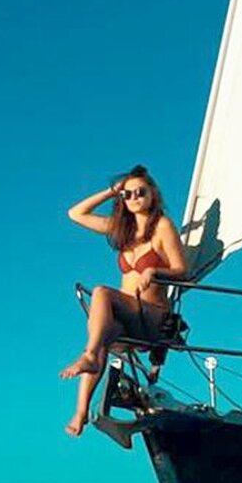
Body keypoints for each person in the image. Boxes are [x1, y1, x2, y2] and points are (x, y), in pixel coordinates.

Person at [60, 165, 188, 436]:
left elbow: (181, 270)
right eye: (127, 194)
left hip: (153, 317)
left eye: (140, 192)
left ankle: (90, 356)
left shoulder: (163, 226)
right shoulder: (123, 231)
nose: (134, 198)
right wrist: (111, 191)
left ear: (153, 193)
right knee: (105, 334)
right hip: (128, 319)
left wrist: (154, 270)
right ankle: (82, 412)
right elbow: (76, 214)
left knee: (101, 293)